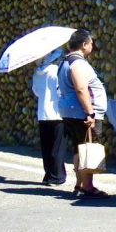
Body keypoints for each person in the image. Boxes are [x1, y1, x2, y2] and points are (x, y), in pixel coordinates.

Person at [57, 29, 109, 199]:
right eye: (91, 43)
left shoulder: (64, 62)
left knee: (79, 148)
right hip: (82, 113)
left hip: (70, 111)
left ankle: (80, 184)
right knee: (88, 147)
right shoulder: (78, 63)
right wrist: (90, 113)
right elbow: (81, 88)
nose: (92, 47)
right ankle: (87, 186)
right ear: (84, 44)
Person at [31, 48, 67, 186]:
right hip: (57, 113)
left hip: (42, 113)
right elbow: (60, 91)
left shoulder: (38, 72)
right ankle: (57, 177)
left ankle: (48, 174)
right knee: (58, 146)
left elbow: (36, 92)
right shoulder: (55, 71)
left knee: (46, 146)